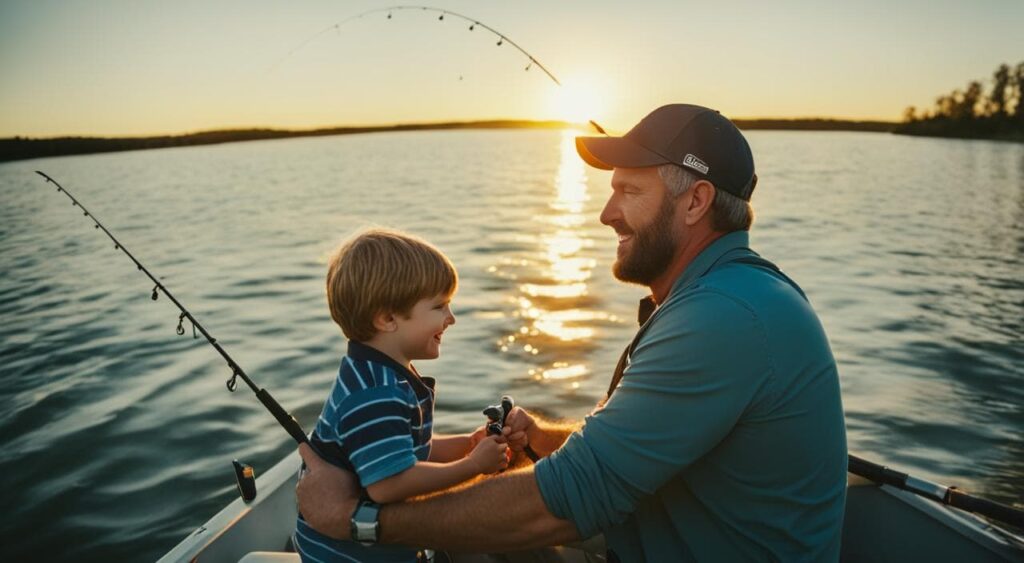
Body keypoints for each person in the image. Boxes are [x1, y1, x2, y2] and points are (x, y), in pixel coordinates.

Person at [296, 104, 848, 561]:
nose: (606, 214)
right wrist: (540, 439)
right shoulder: (729, 296)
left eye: (630, 191)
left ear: (696, 202)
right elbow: (627, 449)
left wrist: (357, 522)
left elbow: (560, 502)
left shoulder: (722, 320)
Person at [294, 228, 509, 562]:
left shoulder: (383, 373)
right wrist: (472, 465)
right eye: (439, 306)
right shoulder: (375, 393)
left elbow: (406, 449)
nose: (451, 318)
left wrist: (468, 442)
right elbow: (390, 482)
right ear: (387, 318)